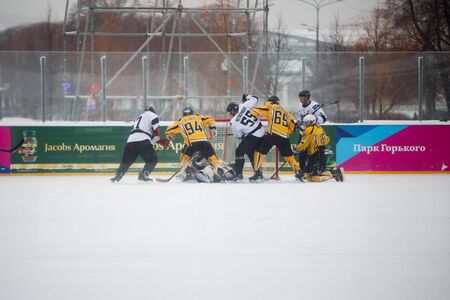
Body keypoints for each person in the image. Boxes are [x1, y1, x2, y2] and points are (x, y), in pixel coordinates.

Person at [165, 106, 234, 181]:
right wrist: (213, 128)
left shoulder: (180, 121)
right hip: (205, 142)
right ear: (192, 113)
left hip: (192, 143)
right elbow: (210, 120)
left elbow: (168, 131)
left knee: (184, 158)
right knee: (213, 158)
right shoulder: (198, 117)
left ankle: (187, 172)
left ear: (183, 114)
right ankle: (219, 168)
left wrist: (171, 136)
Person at [250, 95, 303, 182]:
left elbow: (254, 112)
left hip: (273, 134)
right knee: (288, 155)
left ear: (271, 101)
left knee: (259, 151)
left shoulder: (269, 106)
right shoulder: (286, 111)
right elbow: (293, 126)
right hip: (284, 136)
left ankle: (257, 172)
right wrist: (286, 133)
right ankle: (298, 171)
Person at [111, 106, 170, 183]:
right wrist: (163, 141)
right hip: (142, 140)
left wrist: (160, 141)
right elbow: (156, 130)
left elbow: (145, 133)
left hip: (130, 141)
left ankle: (117, 177)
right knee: (152, 160)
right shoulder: (152, 114)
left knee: (126, 162)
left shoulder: (138, 118)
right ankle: (143, 176)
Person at [226, 94, 265, 180]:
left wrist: (243, 133)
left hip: (253, 135)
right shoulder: (243, 105)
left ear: (233, 110)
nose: (229, 114)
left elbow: (238, 136)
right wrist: (247, 97)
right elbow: (255, 99)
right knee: (250, 152)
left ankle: (239, 173)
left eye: (230, 111)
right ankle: (258, 172)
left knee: (239, 151)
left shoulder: (233, 122)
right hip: (261, 131)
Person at [295, 114, 343, 182]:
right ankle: (332, 172)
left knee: (314, 178)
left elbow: (303, 143)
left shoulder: (308, 130)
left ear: (312, 122)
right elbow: (327, 139)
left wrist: (296, 149)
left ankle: (335, 174)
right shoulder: (319, 128)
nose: (305, 124)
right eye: (305, 122)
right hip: (319, 153)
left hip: (316, 155)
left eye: (307, 122)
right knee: (308, 175)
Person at [297, 89, 328, 171]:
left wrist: (314, 118)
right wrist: (299, 121)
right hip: (304, 132)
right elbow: (300, 117)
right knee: (302, 151)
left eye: (302, 98)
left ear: (307, 97)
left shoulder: (315, 106)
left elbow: (324, 118)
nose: (301, 100)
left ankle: (322, 169)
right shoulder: (300, 105)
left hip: (314, 132)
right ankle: (302, 171)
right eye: (300, 98)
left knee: (318, 151)